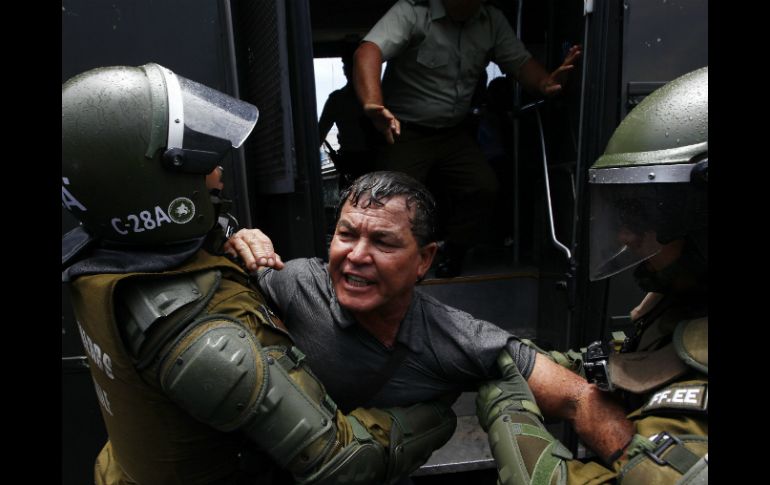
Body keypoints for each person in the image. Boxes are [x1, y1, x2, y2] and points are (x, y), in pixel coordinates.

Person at [61, 63, 458, 485]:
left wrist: (227, 239)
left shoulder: (102, 256)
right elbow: (345, 465)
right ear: (156, 188)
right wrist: (438, 412)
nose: (219, 170)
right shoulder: (204, 339)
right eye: (203, 162)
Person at [226, 170, 635, 483]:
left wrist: (643, 468)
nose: (356, 256)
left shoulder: (455, 339)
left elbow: (576, 397)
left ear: (424, 260)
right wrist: (236, 241)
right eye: (346, 235)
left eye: (384, 243)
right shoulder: (295, 282)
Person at [525, 67, 709, 483]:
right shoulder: (682, 299)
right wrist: (521, 358)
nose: (625, 235)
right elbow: (647, 359)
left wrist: (506, 410)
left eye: (647, 213)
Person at [353, 0, 582, 277]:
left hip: (454, 131)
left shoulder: (491, 21)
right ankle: (390, 267)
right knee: (391, 201)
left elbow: (520, 63)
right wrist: (372, 104)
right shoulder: (412, 12)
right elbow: (368, 50)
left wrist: (545, 82)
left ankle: (454, 250)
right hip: (405, 130)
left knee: (482, 187)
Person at [318, 45, 379, 189]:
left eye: (351, 66)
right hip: (354, 162)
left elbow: (319, 134)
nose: (347, 70)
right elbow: (319, 135)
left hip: (372, 161)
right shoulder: (337, 99)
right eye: (346, 66)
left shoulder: (338, 99)